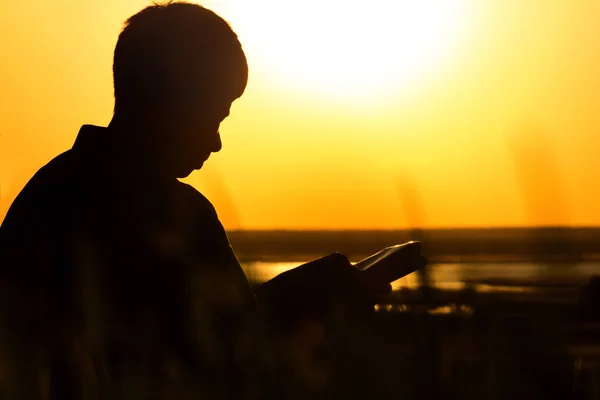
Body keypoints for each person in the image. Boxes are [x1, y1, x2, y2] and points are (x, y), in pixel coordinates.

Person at [0, 2, 423, 398]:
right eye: (214, 116)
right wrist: (316, 300)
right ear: (171, 101)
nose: (217, 142)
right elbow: (225, 354)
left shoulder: (48, 191)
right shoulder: (178, 214)